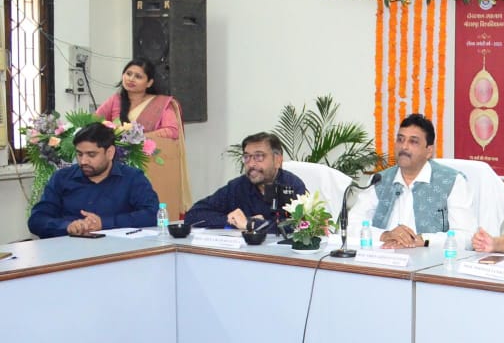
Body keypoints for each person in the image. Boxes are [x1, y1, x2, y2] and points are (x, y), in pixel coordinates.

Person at [350, 114, 476, 249]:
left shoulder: (452, 182)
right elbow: (350, 225)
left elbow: (466, 237)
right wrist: (385, 235)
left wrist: (424, 240)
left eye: (413, 141)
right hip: (384, 256)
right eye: (400, 139)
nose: (404, 146)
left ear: (429, 151)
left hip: (431, 259)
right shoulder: (379, 180)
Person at [95, 58, 192, 219]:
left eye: (138, 76)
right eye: (128, 74)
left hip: (149, 165)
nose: (131, 79)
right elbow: (93, 121)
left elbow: (172, 131)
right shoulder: (115, 100)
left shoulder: (161, 104)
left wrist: (137, 137)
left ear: (149, 82)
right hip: (116, 166)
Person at [27, 123, 159, 238]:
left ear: (110, 153)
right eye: (79, 154)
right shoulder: (61, 178)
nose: (83, 161)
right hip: (69, 250)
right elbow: (37, 220)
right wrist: (67, 226)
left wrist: (104, 223)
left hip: (117, 251)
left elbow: (153, 214)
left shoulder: (132, 178)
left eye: (91, 155)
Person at [184, 132, 306, 232]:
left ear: (278, 160)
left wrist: (251, 224)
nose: (251, 164)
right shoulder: (237, 187)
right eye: (247, 157)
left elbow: (302, 225)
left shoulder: (292, 186)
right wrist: (233, 221)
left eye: (259, 156)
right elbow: (193, 215)